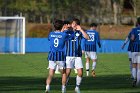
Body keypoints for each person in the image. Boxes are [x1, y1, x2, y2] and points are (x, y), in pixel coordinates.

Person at [65, 18, 89, 93]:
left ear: (78, 25)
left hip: (78, 56)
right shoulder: (67, 32)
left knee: (80, 73)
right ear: (71, 24)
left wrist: (81, 29)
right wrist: (65, 28)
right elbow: (61, 34)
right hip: (69, 56)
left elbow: (88, 37)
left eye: (76, 24)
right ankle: (64, 86)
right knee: (68, 73)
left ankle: (77, 87)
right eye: (73, 24)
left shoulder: (80, 32)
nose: (74, 25)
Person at [45, 19, 68, 93]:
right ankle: (63, 89)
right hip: (60, 56)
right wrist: (64, 30)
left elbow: (50, 39)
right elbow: (68, 38)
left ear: (54, 26)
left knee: (51, 73)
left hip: (52, 56)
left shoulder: (51, 34)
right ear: (62, 26)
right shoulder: (64, 35)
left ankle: (47, 87)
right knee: (63, 73)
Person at [130, 17, 140, 87]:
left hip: (134, 49)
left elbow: (132, 38)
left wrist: (131, 39)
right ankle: (138, 82)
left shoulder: (134, 29)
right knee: (139, 67)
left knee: (134, 65)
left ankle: (134, 79)